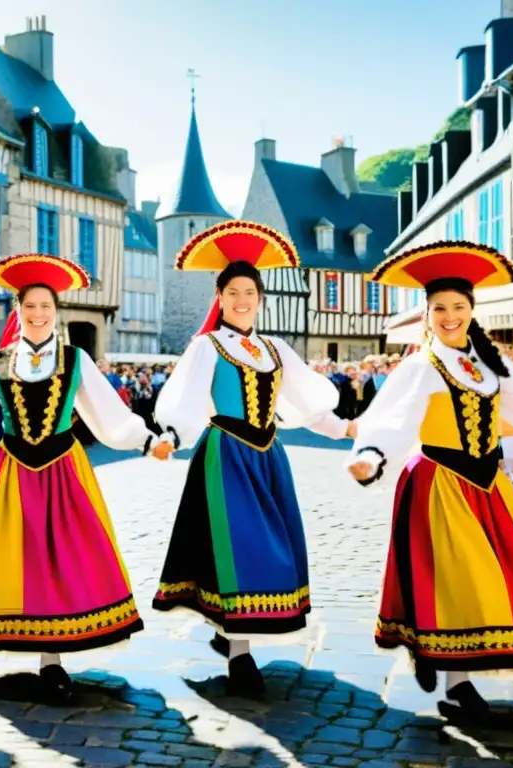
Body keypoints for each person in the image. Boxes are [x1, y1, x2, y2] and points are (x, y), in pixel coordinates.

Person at [345, 242, 513, 724]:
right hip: (438, 484)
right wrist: (370, 455)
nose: (450, 316)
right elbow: (392, 418)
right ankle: (456, 681)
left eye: (459, 307)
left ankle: (437, 655)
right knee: (451, 579)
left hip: (486, 486)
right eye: (440, 309)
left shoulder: (490, 364)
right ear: (426, 316)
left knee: (486, 577)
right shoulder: (420, 365)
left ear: (472, 311)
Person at [0, 253, 173, 702]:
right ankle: (33, 644)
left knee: (67, 555)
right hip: (14, 473)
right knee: (21, 559)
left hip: (63, 472)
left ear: (57, 312)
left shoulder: (75, 359)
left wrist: (147, 441)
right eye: (29, 306)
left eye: (45, 306)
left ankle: (54, 659)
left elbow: (108, 412)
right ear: (18, 311)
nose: (37, 314)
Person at [150, 221, 353, 698]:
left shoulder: (276, 349)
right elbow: (184, 399)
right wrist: (172, 437)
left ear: (260, 299)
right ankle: (240, 654)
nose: (243, 300)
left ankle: (232, 635)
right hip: (225, 457)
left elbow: (307, 403)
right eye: (233, 291)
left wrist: (347, 429)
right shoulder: (207, 346)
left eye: (250, 292)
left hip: (268, 458)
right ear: (219, 297)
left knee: (273, 551)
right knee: (239, 552)